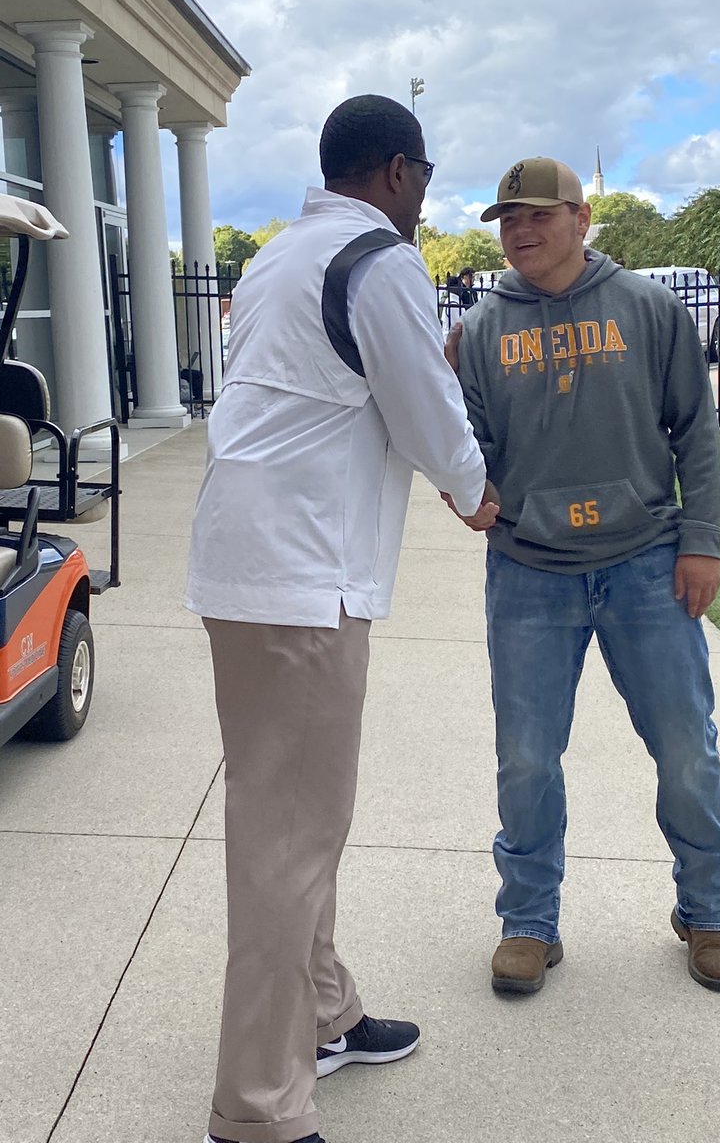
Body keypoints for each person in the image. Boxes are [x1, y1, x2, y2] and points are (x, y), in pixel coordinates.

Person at [185, 94, 498, 1143]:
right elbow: (427, 412)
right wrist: (474, 491)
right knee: (286, 843)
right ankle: (258, 1110)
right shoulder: (380, 261)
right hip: (302, 583)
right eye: (427, 178)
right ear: (399, 171)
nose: (427, 199)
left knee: (293, 825)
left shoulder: (281, 256)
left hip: (251, 573)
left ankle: (326, 1012)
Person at [444, 156, 720, 998]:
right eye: (508, 219)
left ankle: (708, 909)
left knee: (686, 748)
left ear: (581, 219)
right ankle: (528, 921)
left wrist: (702, 541)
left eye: (538, 215)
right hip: (530, 571)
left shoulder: (648, 308)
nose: (520, 231)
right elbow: (467, 447)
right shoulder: (481, 329)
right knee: (526, 758)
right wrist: (466, 486)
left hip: (645, 561)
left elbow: (696, 431)